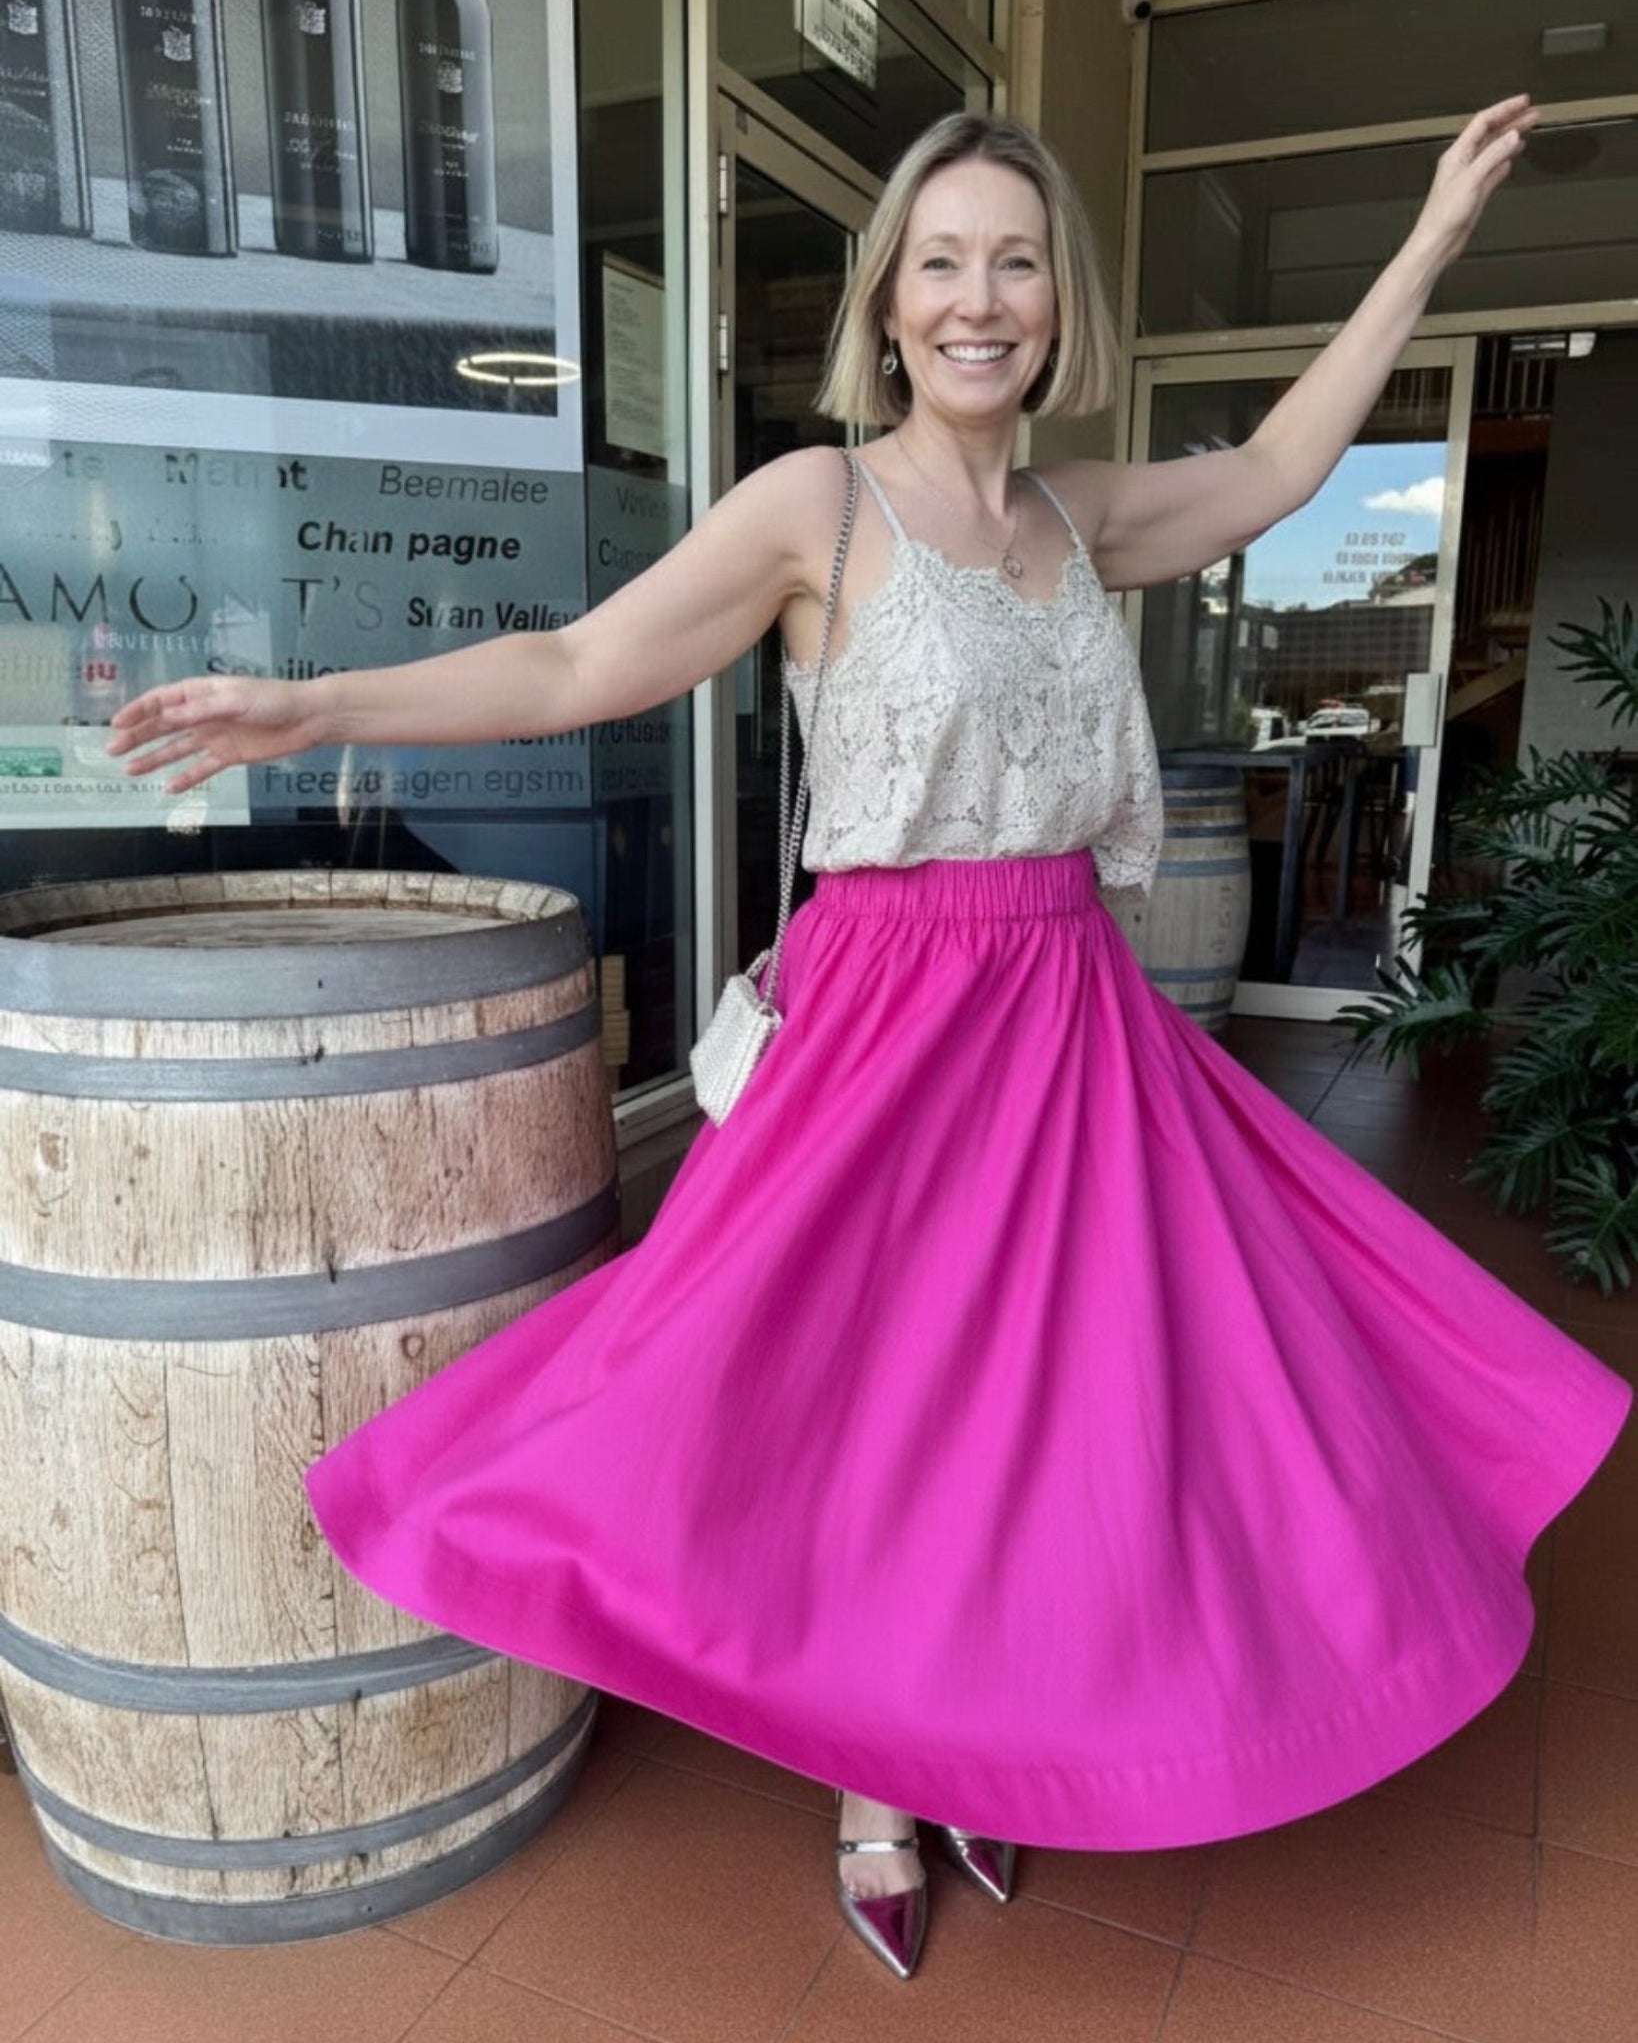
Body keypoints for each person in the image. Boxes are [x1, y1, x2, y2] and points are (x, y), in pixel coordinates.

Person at [109, 98, 1630, 1984]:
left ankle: (990, 1725)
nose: (976, 300)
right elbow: (585, 664)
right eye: (940, 264)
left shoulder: (1086, 515)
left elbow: (1280, 468)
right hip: (882, 1020)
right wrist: (315, 700)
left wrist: (1423, 243)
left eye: (1011, 262)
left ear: (1053, 300)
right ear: (888, 304)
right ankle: (876, 1781)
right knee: (859, 1402)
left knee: (1065, 1397)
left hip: (1067, 1007)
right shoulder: (815, 506)